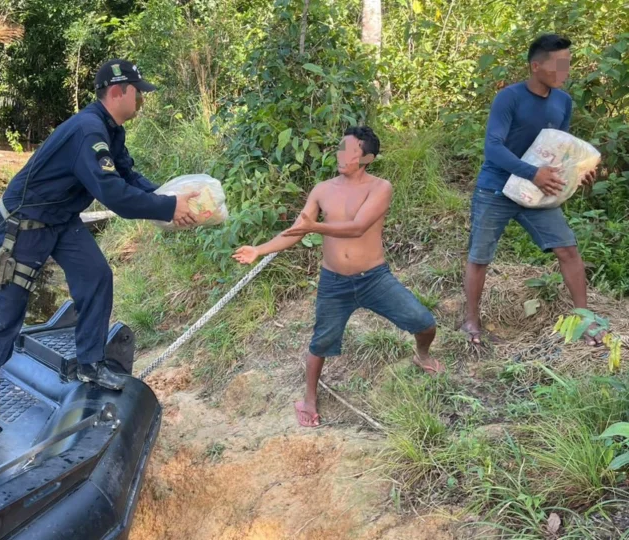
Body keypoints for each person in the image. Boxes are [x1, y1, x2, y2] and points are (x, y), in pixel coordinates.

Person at [0, 59, 200, 413]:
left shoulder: (110, 130)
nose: (140, 100)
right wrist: (167, 207)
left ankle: (90, 365)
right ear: (117, 92)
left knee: (96, 276)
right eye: (137, 93)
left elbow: (127, 177)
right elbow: (113, 196)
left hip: (61, 217)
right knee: (12, 301)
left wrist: (170, 200)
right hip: (26, 220)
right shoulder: (88, 132)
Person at [233, 127, 442, 428]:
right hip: (334, 283)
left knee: (424, 322)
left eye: (349, 150)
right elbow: (297, 230)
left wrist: (315, 228)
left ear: (367, 157)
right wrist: (259, 249)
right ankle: (309, 398)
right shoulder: (322, 189)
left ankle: (422, 355)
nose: (341, 154)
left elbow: (357, 227)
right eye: (340, 148)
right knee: (321, 342)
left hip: (374, 279)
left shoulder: (380, 187)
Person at [461, 34, 601, 346]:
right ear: (535, 66)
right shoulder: (509, 98)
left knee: (568, 249)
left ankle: (586, 320)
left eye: (568, 63)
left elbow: (559, 149)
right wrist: (532, 173)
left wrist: (578, 173)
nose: (565, 71)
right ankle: (471, 319)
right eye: (558, 65)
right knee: (480, 256)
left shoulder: (563, 102)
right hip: (495, 189)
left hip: (537, 193)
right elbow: (493, 148)